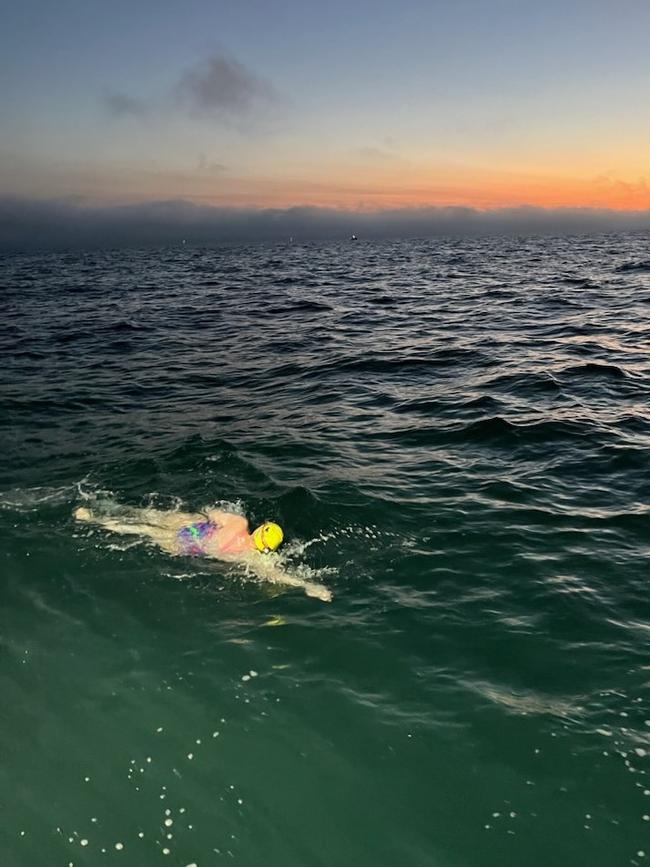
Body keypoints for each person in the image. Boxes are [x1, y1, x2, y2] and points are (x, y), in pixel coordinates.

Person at [73, 504, 332, 602]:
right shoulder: (251, 558)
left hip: (195, 529)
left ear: (258, 530)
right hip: (190, 547)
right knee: (143, 532)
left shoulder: (239, 523)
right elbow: (279, 576)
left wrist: (210, 515)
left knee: (151, 517)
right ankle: (93, 520)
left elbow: (212, 511)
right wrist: (311, 586)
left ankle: (104, 509)